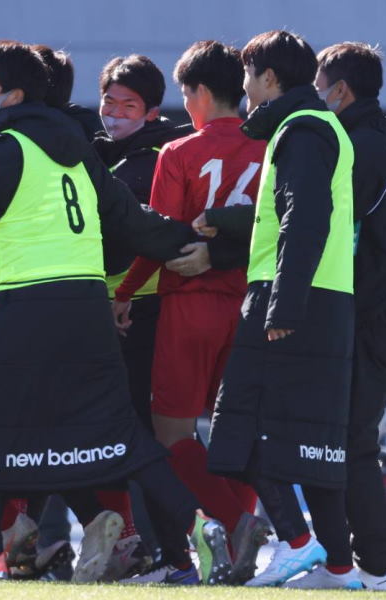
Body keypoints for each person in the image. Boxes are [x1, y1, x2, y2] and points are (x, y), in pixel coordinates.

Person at [0, 40, 230, 586]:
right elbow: (133, 222)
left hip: (26, 306)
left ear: (13, 94)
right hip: (86, 307)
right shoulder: (80, 150)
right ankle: (200, 522)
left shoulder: (0, 149)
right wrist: (192, 243)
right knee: (123, 436)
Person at [205, 30, 359, 588]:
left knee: (242, 428)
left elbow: (304, 218)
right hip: (320, 297)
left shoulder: (300, 130)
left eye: (248, 75)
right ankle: (339, 570)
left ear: (269, 78)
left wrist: (283, 304)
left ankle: (297, 542)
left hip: (288, 297)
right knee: (312, 439)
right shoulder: (319, 127)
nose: (243, 88)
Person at [111, 41, 269, 585]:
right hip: (249, 304)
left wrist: (125, 292)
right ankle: (240, 539)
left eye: (185, 94)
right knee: (234, 435)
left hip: (189, 305)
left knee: (171, 434)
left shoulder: (178, 153)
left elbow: (159, 235)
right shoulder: (271, 147)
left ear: (200, 92)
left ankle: (233, 522)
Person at [298, 42, 386, 591]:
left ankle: (374, 570)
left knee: (350, 440)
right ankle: (348, 566)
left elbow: (323, 224)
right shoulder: (384, 135)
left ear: (341, 91)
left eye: (319, 86)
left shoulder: (360, 146)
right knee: (343, 437)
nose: (315, 95)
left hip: (383, 312)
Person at [89, 53, 193, 579]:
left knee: (137, 432)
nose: (114, 113)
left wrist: (123, 295)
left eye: (128, 105)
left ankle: (172, 548)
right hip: (107, 303)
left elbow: (140, 235)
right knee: (112, 429)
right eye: (109, 101)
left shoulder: (155, 158)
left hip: (140, 306)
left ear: (152, 111)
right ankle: (138, 545)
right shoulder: (99, 151)